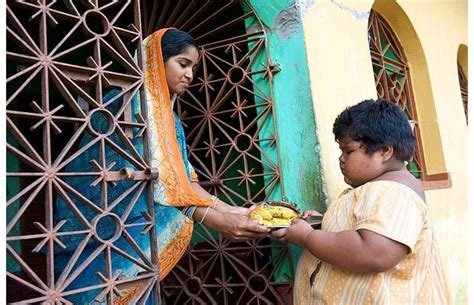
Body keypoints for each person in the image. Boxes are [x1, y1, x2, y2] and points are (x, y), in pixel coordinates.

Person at [54, 28, 269, 304]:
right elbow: (159, 182)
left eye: (193, 67)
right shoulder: (122, 106)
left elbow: (183, 182)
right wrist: (217, 220)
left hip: (140, 233)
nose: (190, 75)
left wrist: (234, 211)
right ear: (155, 60)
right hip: (107, 232)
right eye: (183, 64)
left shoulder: (171, 120)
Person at [272, 99, 452, 304]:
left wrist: (307, 237)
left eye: (348, 151)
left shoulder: (395, 193)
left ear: (385, 151)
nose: (341, 158)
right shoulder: (376, 189)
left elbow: (374, 251)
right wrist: (325, 223)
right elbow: (370, 227)